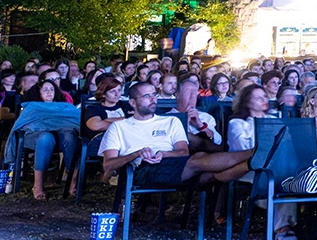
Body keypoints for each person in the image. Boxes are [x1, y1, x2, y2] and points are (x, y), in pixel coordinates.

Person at [99, 82, 255, 192]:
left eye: (154, 94)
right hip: (141, 170)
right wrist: (136, 154)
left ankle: (254, 161)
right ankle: (256, 153)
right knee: (198, 159)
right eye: (147, 96)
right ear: (132, 102)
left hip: (176, 166)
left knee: (211, 175)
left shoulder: (171, 121)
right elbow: (108, 165)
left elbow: (183, 152)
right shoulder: (119, 127)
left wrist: (163, 154)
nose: (153, 99)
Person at [13, 80, 82, 200]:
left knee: (70, 135)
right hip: (35, 137)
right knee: (46, 138)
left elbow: (77, 121)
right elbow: (26, 125)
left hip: (61, 137)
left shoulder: (65, 107)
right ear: (38, 92)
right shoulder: (33, 107)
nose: (49, 92)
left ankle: (73, 182)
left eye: (52, 89)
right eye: (45, 89)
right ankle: (38, 186)